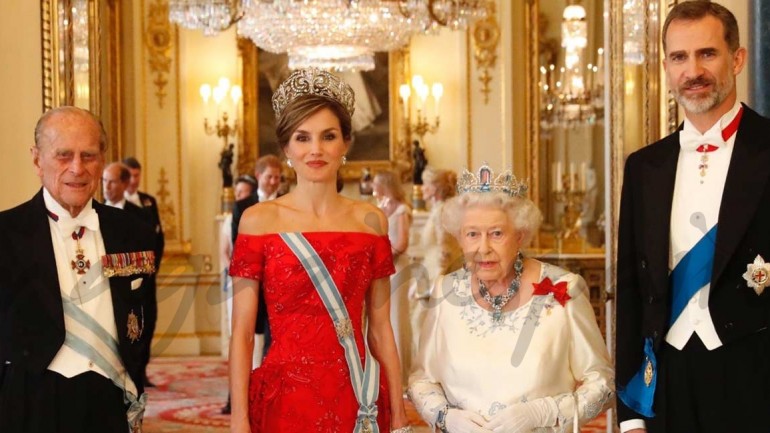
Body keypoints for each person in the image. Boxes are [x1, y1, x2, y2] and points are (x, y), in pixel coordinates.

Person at [228, 67, 412, 433]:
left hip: (358, 392)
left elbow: (380, 329)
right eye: (302, 137)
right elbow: (243, 333)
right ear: (286, 148)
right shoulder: (258, 221)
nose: (315, 150)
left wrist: (399, 410)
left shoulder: (370, 220)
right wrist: (239, 420)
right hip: (286, 397)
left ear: (345, 143)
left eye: (328, 136)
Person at [615, 2, 770, 432]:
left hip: (754, 375)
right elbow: (630, 290)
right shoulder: (644, 167)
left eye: (707, 53)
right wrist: (630, 416)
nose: (692, 71)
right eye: (679, 57)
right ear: (666, 67)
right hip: (667, 380)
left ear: (736, 58)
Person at [409, 163, 613, 433]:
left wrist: (545, 412)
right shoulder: (445, 292)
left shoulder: (563, 289)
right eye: (472, 234)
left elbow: (603, 383)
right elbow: (421, 380)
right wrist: (446, 417)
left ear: (519, 235)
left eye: (496, 233)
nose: (483, 248)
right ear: (460, 238)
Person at [0, 106, 156, 433]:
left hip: (109, 397)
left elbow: (145, 313)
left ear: (102, 160)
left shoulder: (133, 231)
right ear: (36, 160)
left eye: (88, 155)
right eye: (63, 155)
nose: (77, 168)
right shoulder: (7, 233)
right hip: (32, 400)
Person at [123, 156, 165, 387]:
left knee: (149, 321)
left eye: (137, 175)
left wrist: (153, 268)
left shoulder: (148, 202)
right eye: (130, 175)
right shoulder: (116, 206)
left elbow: (159, 237)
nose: (134, 180)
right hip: (127, 277)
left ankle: (142, 369)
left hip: (149, 276)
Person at [413, 167, 462, 349]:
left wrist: (436, 282)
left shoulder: (441, 211)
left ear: (434, 188)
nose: (422, 188)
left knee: (424, 322)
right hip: (431, 270)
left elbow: (444, 249)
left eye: (425, 184)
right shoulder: (438, 210)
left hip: (439, 273)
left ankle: (431, 369)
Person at [373, 170, 413, 386]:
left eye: (377, 183)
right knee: (382, 317)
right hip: (384, 268)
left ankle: (399, 373)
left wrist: (385, 258)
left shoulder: (401, 209)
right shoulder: (381, 206)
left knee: (396, 316)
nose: (373, 187)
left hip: (397, 268)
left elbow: (402, 243)